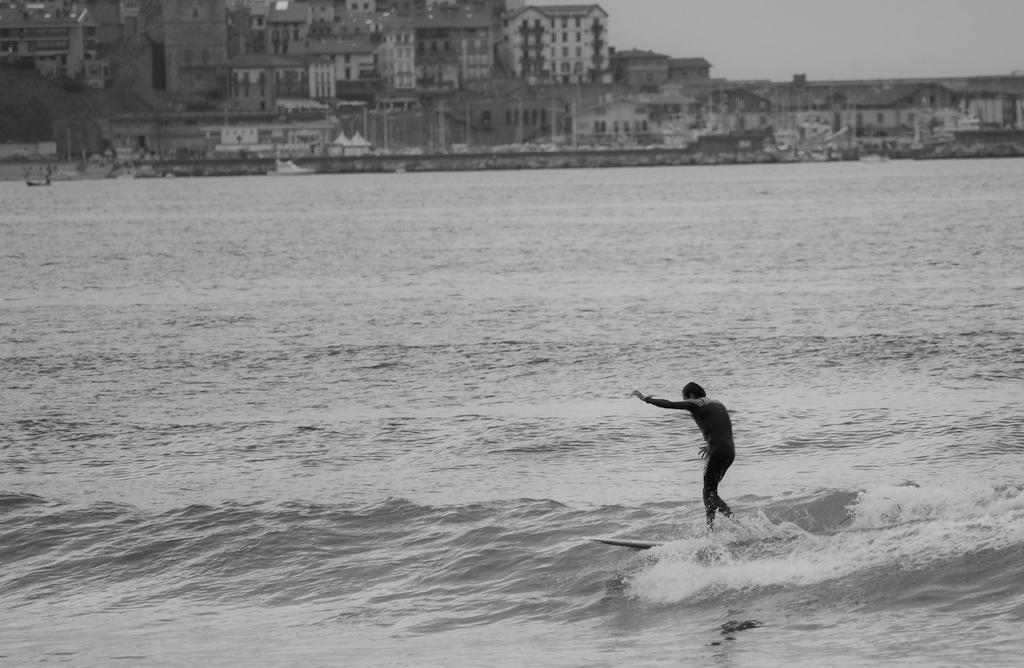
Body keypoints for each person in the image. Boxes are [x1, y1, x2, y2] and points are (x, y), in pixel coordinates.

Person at [632, 382, 735, 530]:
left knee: (709, 493)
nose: (686, 404)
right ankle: (712, 531)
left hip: (718, 451)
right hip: (729, 452)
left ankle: (731, 527)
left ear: (691, 396)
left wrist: (646, 399)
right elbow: (721, 428)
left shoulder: (697, 403)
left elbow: (669, 404)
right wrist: (712, 445)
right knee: (710, 492)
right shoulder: (717, 403)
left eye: (685, 399)